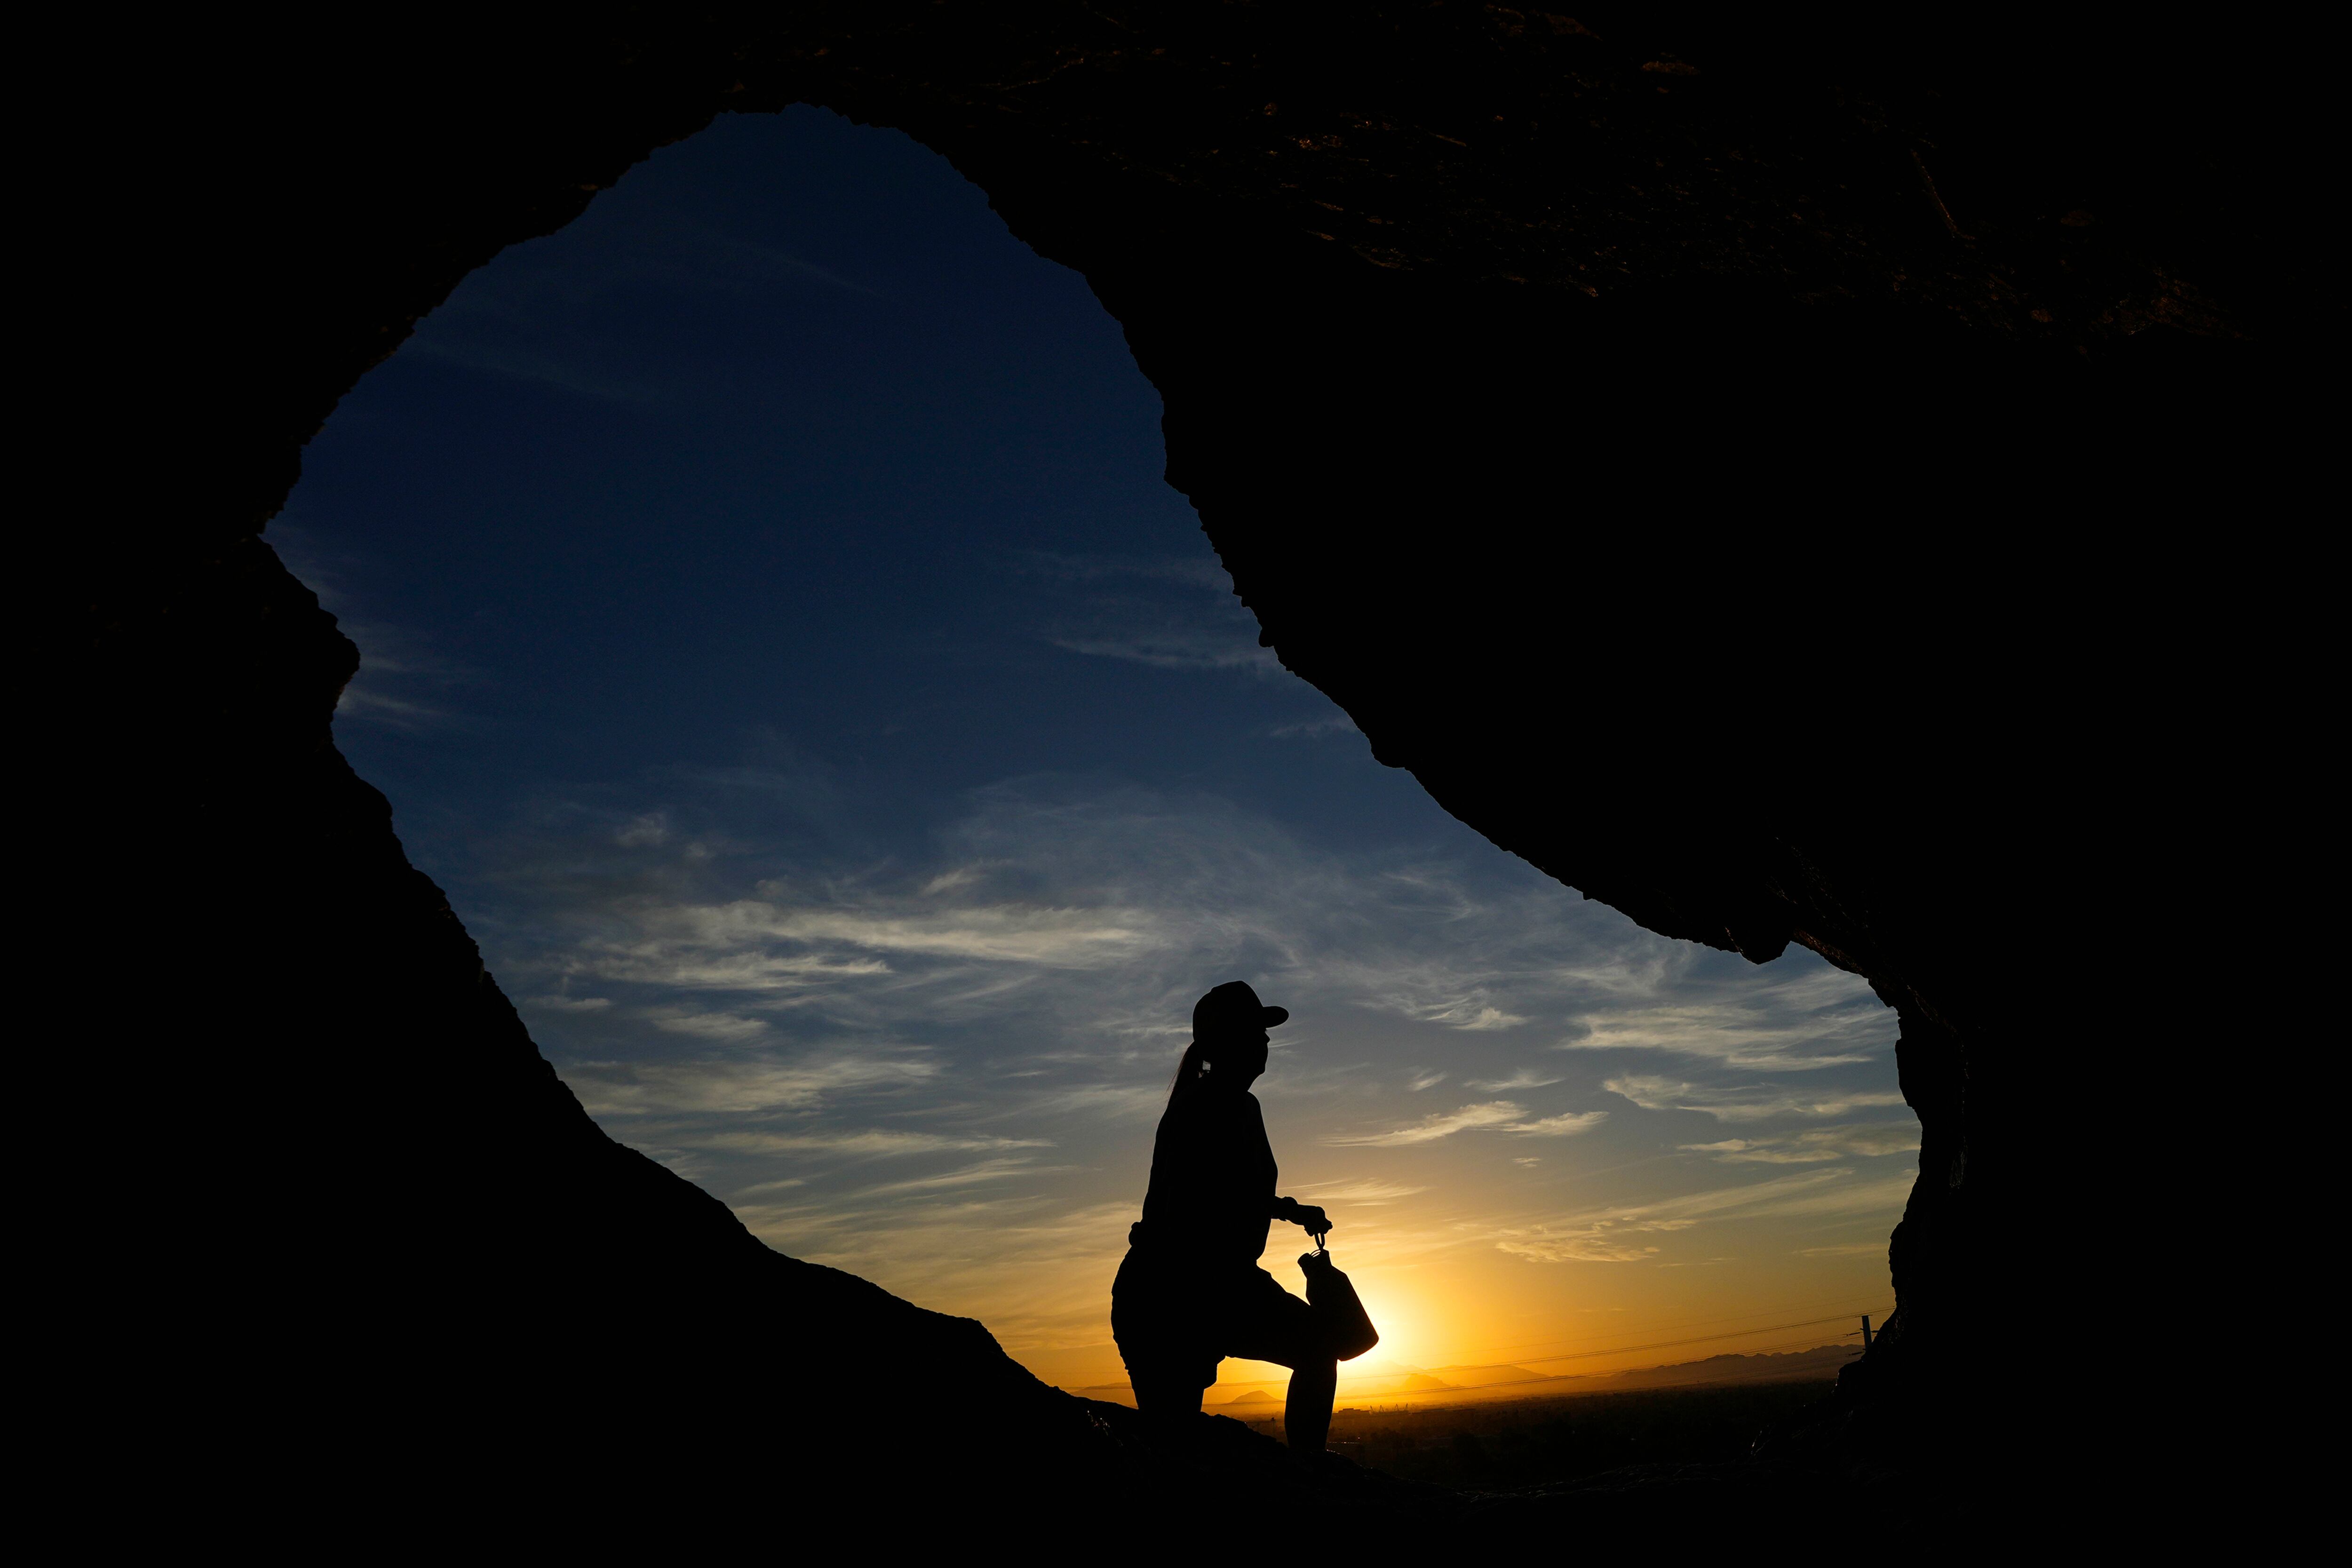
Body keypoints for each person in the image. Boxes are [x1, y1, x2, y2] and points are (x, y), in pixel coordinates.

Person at [1111, 980, 1344, 1453]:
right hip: (1172, 1292)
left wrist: (1289, 1210)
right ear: (1227, 1042)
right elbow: (1194, 1208)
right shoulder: (1201, 1108)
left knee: (1316, 1347)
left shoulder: (1240, 1106)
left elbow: (1234, 1192)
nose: (1266, 1042)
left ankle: (1308, 1475)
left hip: (1205, 1286)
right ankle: (1310, 1478)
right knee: (1174, 1444)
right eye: (1256, 1031)